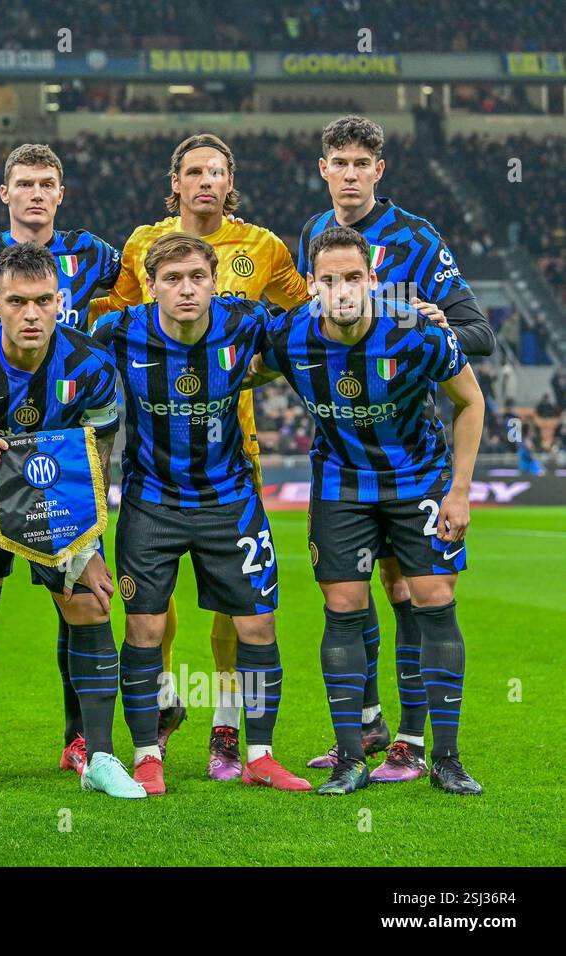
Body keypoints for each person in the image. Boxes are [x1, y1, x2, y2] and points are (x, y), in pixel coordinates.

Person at [87, 132, 310, 779]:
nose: (186, 289)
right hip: (152, 502)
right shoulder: (118, 330)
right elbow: (63, 371)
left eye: (197, 278)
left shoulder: (247, 322)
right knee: (147, 630)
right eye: (173, 279)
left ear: (217, 282)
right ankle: (147, 755)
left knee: (258, 626)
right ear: (151, 285)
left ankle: (259, 754)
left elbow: (316, 338)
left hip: (230, 497)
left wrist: (408, 321)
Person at [250, 226, 485, 796]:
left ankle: (446, 759)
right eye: (329, 280)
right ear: (311, 286)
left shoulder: (416, 333)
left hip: (417, 483)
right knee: (344, 605)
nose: (342, 290)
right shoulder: (290, 335)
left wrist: (458, 491)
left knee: (435, 598)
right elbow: (235, 363)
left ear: (373, 280)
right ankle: (352, 758)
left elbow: (470, 400)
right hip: (341, 486)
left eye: (353, 277)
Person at [297, 115, 495, 779]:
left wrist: (434, 324)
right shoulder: (315, 239)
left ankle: (415, 739)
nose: (350, 175)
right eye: (339, 163)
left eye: (362, 164)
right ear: (322, 168)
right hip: (342, 463)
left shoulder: (416, 239)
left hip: (411, 455)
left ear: (378, 171)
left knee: (409, 588)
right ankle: (370, 726)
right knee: (350, 598)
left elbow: (477, 331)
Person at [0, 241, 141, 802]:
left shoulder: (89, 363)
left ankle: (99, 755)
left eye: (43, 300)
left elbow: (99, 457)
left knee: (90, 603)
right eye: (18, 301)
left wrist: (88, 548)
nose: (32, 313)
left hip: (53, 501)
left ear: (61, 301)